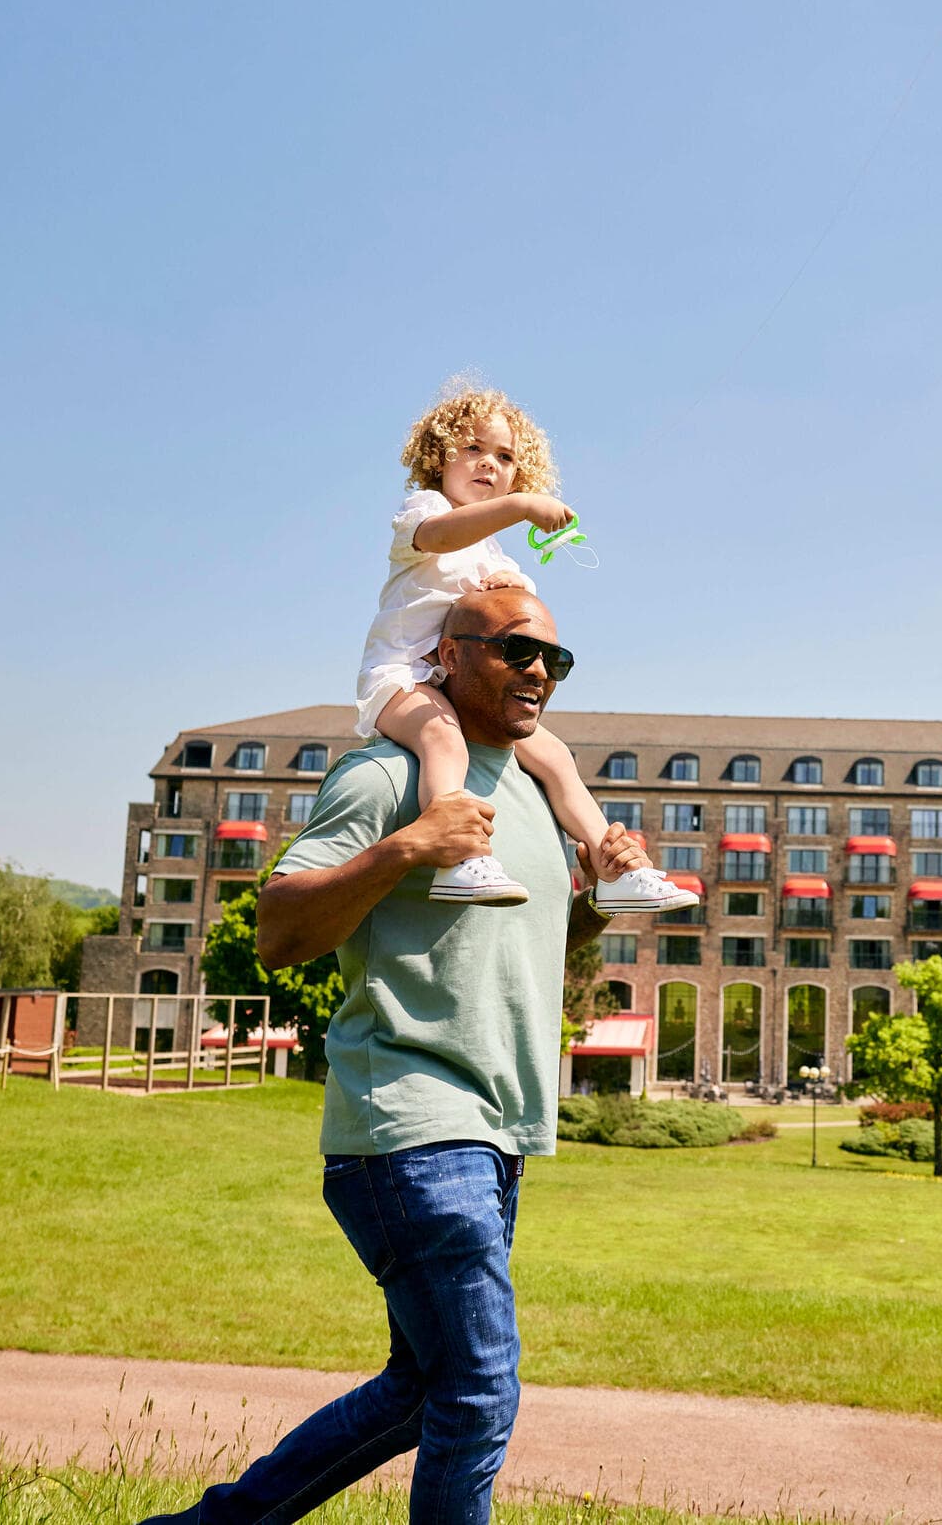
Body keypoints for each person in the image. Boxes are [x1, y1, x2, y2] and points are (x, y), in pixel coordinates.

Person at [140, 585, 647, 1525]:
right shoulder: (386, 776)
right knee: (480, 1388)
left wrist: (602, 897)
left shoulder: (536, 791)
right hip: (412, 1122)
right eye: (514, 650)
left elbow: (532, 940)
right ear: (445, 655)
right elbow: (281, 930)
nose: (539, 671)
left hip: (495, 1134)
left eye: (555, 659)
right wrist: (409, 846)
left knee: (425, 1387)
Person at [359, 382, 692, 915]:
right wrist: (520, 507)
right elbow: (441, 537)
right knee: (442, 741)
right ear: (438, 455)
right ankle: (459, 857)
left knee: (556, 757)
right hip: (405, 679)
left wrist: (514, 588)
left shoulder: (492, 552)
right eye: (473, 449)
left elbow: (518, 607)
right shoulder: (425, 509)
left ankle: (616, 870)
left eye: (505, 457)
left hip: (468, 688)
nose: (488, 464)